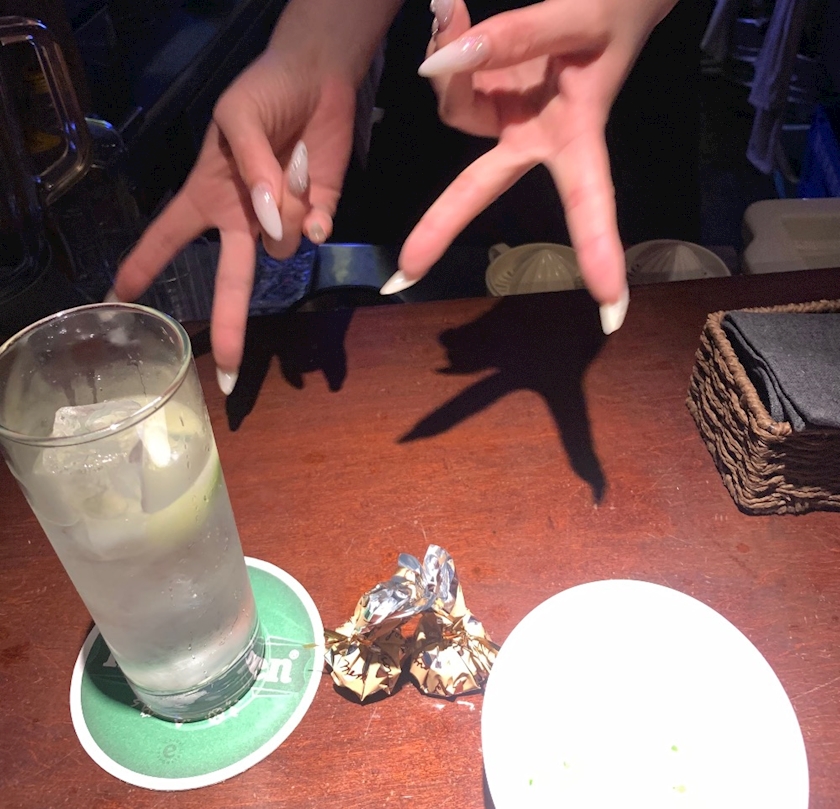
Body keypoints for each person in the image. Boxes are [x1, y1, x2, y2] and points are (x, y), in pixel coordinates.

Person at [110, 0, 679, 394]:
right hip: (437, 90)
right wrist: (320, 44)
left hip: (612, 91)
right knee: (405, 339)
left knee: (639, 335)